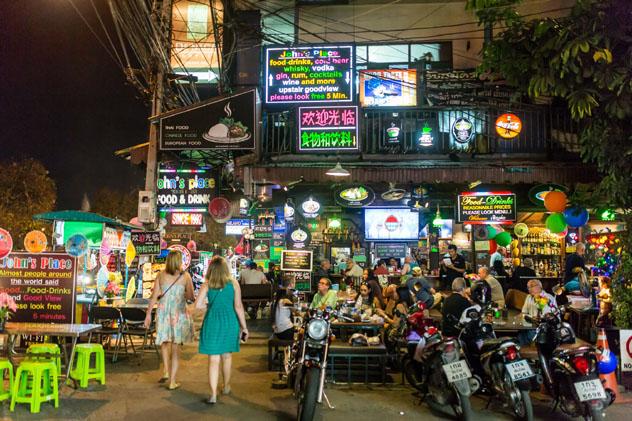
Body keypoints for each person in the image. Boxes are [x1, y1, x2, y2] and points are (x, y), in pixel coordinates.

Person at [194, 256, 249, 404]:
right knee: (227, 356)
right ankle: (226, 386)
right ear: (226, 269)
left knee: (213, 359)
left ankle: (212, 394)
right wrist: (244, 327)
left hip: (212, 322)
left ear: (211, 269)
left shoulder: (207, 285)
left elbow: (197, 305)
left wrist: (210, 306)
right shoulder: (234, 284)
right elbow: (238, 307)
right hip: (229, 322)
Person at [144, 250, 194, 390]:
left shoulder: (160, 275)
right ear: (179, 261)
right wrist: (182, 293)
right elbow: (190, 296)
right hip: (178, 313)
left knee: (164, 342)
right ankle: (172, 381)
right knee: (176, 347)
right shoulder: (185, 276)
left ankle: (166, 370)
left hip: (163, 312)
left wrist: (148, 314)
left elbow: (154, 297)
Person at [519, 279, 557, 345]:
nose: (529, 289)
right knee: (520, 333)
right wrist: (529, 317)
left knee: (528, 335)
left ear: (540, 287)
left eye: (532, 286)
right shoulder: (528, 297)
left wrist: (528, 317)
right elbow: (523, 312)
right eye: (528, 287)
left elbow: (545, 318)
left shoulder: (547, 298)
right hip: (529, 325)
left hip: (543, 329)